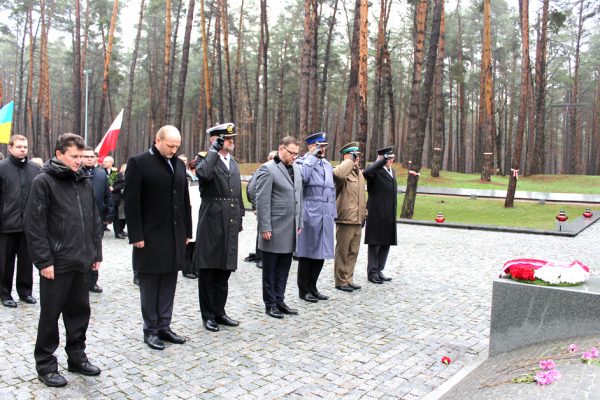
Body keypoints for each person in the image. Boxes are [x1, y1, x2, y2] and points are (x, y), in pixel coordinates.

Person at [25, 133, 103, 387]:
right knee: (50, 315)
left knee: (80, 313)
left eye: (82, 156)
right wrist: (43, 261)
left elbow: (93, 220)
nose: (79, 161)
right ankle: (46, 364)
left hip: (82, 260)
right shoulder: (43, 181)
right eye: (74, 156)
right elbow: (34, 225)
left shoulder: (84, 180)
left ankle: (77, 357)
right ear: (59, 154)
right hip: (56, 263)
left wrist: (95, 254)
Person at [124, 125, 192, 350]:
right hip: (150, 236)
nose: (173, 150)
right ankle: (150, 329)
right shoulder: (139, 162)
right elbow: (131, 202)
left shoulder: (179, 164)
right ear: (157, 140)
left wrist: (187, 232)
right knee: (150, 284)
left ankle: (165, 325)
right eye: (170, 145)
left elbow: (184, 201)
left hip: (174, 235)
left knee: (169, 282)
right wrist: (136, 234)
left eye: (177, 146)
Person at [193, 123, 244, 332]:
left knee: (225, 269)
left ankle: (219, 311)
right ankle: (208, 315)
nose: (231, 141)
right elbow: (203, 175)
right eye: (227, 138)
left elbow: (237, 195)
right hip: (212, 220)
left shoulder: (234, 163)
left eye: (232, 138)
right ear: (215, 139)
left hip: (230, 221)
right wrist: (214, 150)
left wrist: (240, 216)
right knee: (208, 270)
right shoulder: (205, 160)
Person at [256, 136, 303, 319]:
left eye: (297, 154)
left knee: (284, 268)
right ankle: (270, 304)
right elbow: (262, 200)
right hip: (273, 228)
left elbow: (300, 197)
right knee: (270, 269)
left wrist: (299, 222)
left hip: (290, 228)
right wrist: (264, 227)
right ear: (281, 149)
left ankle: (280, 299)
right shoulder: (268, 170)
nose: (294, 157)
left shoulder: (297, 170)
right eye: (292, 153)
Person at [0, 134, 40, 307]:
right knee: (5, 262)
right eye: (19, 146)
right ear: (10, 148)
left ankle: (25, 292)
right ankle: (4, 293)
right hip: (6, 224)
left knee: (26, 262)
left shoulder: (35, 169)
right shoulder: (1, 168)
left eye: (25, 146)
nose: (23, 149)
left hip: (28, 226)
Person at [295, 132, 335, 303]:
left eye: (324, 146)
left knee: (321, 252)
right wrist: (311, 157)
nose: (322, 149)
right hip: (310, 210)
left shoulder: (326, 164)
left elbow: (331, 190)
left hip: (326, 211)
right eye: (319, 146)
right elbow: (302, 178)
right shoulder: (301, 162)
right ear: (311, 146)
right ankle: (303, 290)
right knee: (307, 252)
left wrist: (333, 213)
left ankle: (313, 286)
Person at [332, 142, 367, 293]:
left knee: (353, 251)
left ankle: (349, 279)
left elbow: (361, 196)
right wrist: (348, 161)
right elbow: (339, 174)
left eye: (358, 156)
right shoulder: (341, 172)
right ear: (346, 156)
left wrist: (364, 213)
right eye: (354, 156)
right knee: (343, 251)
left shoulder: (359, 173)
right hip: (345, 218)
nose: (357, 158)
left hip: (358, 218)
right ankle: (340, 281)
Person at [81, 147, 114, 294]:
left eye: (92, 156)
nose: (89, 159)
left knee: (96, 250)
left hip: (97, 218)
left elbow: (108, 196)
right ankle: (80, 280)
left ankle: (93, 281)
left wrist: (108, 215)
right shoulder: (76, 173)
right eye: (86, 156)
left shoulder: (101, 174)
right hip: (80, 219)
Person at [363, 146, 397, 284]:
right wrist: (381, 161)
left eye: (392, 158)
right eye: (388, 158)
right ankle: (372, 272)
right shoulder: (375, 170)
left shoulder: (392, 171)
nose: (390, 161)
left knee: (386, 242)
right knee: (375, 243)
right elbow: (366, 172)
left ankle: (379, 269)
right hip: (376, 212)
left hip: (389, 213)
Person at [246, 150, 277, 269]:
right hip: (263, 206)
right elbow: (252, 189)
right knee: (262, 231)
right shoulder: (263, 169)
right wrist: (255, 206)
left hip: (272, 207)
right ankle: (260, 258)